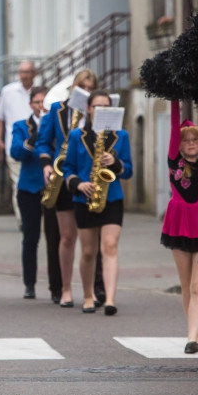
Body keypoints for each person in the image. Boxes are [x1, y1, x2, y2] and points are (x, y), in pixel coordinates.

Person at [36, 70, 106, 307]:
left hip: (89, 178)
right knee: (66, 237)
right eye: (82, 86)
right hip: (64, 177)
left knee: (92, 240)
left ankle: (94, 289)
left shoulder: (98, 113)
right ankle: (65, 289)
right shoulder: (57, 110)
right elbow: (43, 141)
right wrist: (46, 165)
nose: (86, 91)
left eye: (90, 86)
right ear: (74, 87)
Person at [62, 90, 132, 315]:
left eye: (106, 106)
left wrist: (116, 162)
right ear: (89, 109)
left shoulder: (121, 136)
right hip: (84, 197)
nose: (101, 109)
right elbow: (68, 168)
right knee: (89, 252)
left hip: (112, 198)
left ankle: (110, 299)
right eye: (97, 106)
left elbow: (128, 170)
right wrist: (78, 185)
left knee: (109, 247)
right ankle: (89, 295)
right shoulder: (76, 136)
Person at [159, 101, 198, 354]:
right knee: (185, 284)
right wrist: (173, 98)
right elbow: (173, 127)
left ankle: (192, 337)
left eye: (195, 139)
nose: (191, 143)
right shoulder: (173, 161)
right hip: (179, 223)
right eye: (186, 140)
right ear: (179, 146)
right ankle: (197, 334)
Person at [9, 85, 55, 300]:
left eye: (44, 101)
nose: (41, 106)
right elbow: (16, 152)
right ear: (30, 105)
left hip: (53, 187)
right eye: (37, 102)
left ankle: (57, 287)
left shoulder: (57, 124)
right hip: (29, 188)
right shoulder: (21, 126)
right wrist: (32, 138)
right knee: (30, 238)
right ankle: (30, 284)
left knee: (55, 238)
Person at [0, 60, 37, 220]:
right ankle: (24, 219)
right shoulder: (8, 91)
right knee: (19, 183)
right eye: (21, 72)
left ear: (34, 74)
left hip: (37, 145)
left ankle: (35, 216)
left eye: (27, 72)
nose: (24, 75)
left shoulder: (40, 92)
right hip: (15, 146)